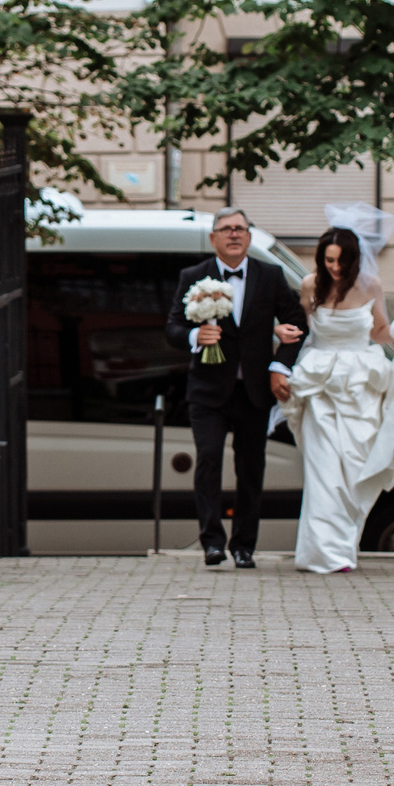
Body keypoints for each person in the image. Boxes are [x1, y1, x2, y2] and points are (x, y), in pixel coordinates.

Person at [282, 212, 394, 574]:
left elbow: (380, 332)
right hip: (320, 384)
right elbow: (303, 328)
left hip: (360, 385)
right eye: (329, 260)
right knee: (323, 471)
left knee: (355, 470)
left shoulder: (370, 285)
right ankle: (322, 555)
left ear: (354, 259)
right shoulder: (311, 285)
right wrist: (282, 338)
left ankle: (343, 548)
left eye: (341, 260)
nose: (335, 267)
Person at [164, 209, 307, 568]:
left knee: (251, 467)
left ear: (249, 236)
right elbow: (173, 328)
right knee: (209, 459)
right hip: (208, 392)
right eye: (226, 229)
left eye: (240, 229)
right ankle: (212, 542)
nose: (234, 235)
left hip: (254, 391)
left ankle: (245, 546)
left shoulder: (270, 275)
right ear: (213, 238)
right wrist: (197, 335)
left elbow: (296, 321)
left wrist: (279, 364)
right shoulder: (194, 277)